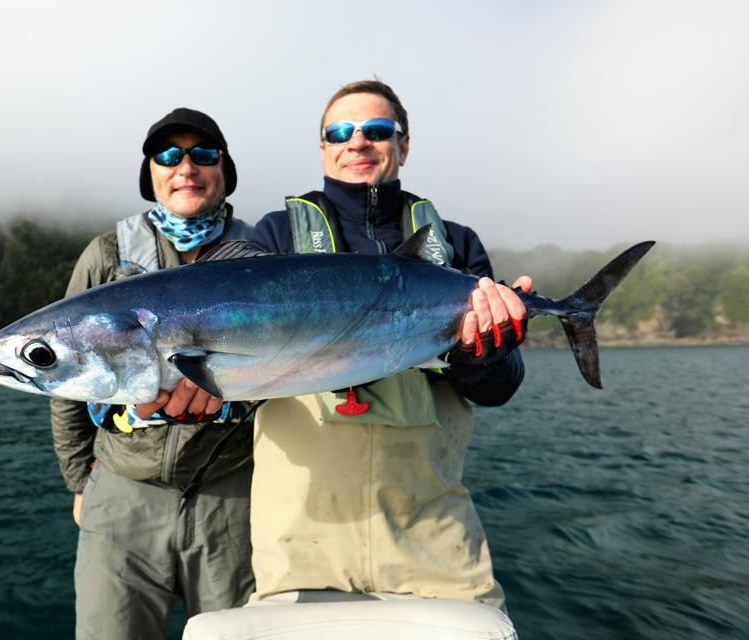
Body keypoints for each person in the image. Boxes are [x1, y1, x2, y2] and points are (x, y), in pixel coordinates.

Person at [246, 80, 532, 611]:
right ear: (323, 147)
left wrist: (482, 353)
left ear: (403, 145)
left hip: (435, 538)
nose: (357, 142)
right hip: (300, 542)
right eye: (340, 132)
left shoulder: (455, 243)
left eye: (376, 130)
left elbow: (501, 387)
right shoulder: (275, 239)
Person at [50, 108, 256, 640]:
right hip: (122, 491)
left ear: (224, 170)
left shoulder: (263, 256)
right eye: (168, 155)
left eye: (203, 154)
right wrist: (80, 481)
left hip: (233, 492)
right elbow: (67, 381)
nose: (186, 167)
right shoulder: (106, 255)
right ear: (151, 173)